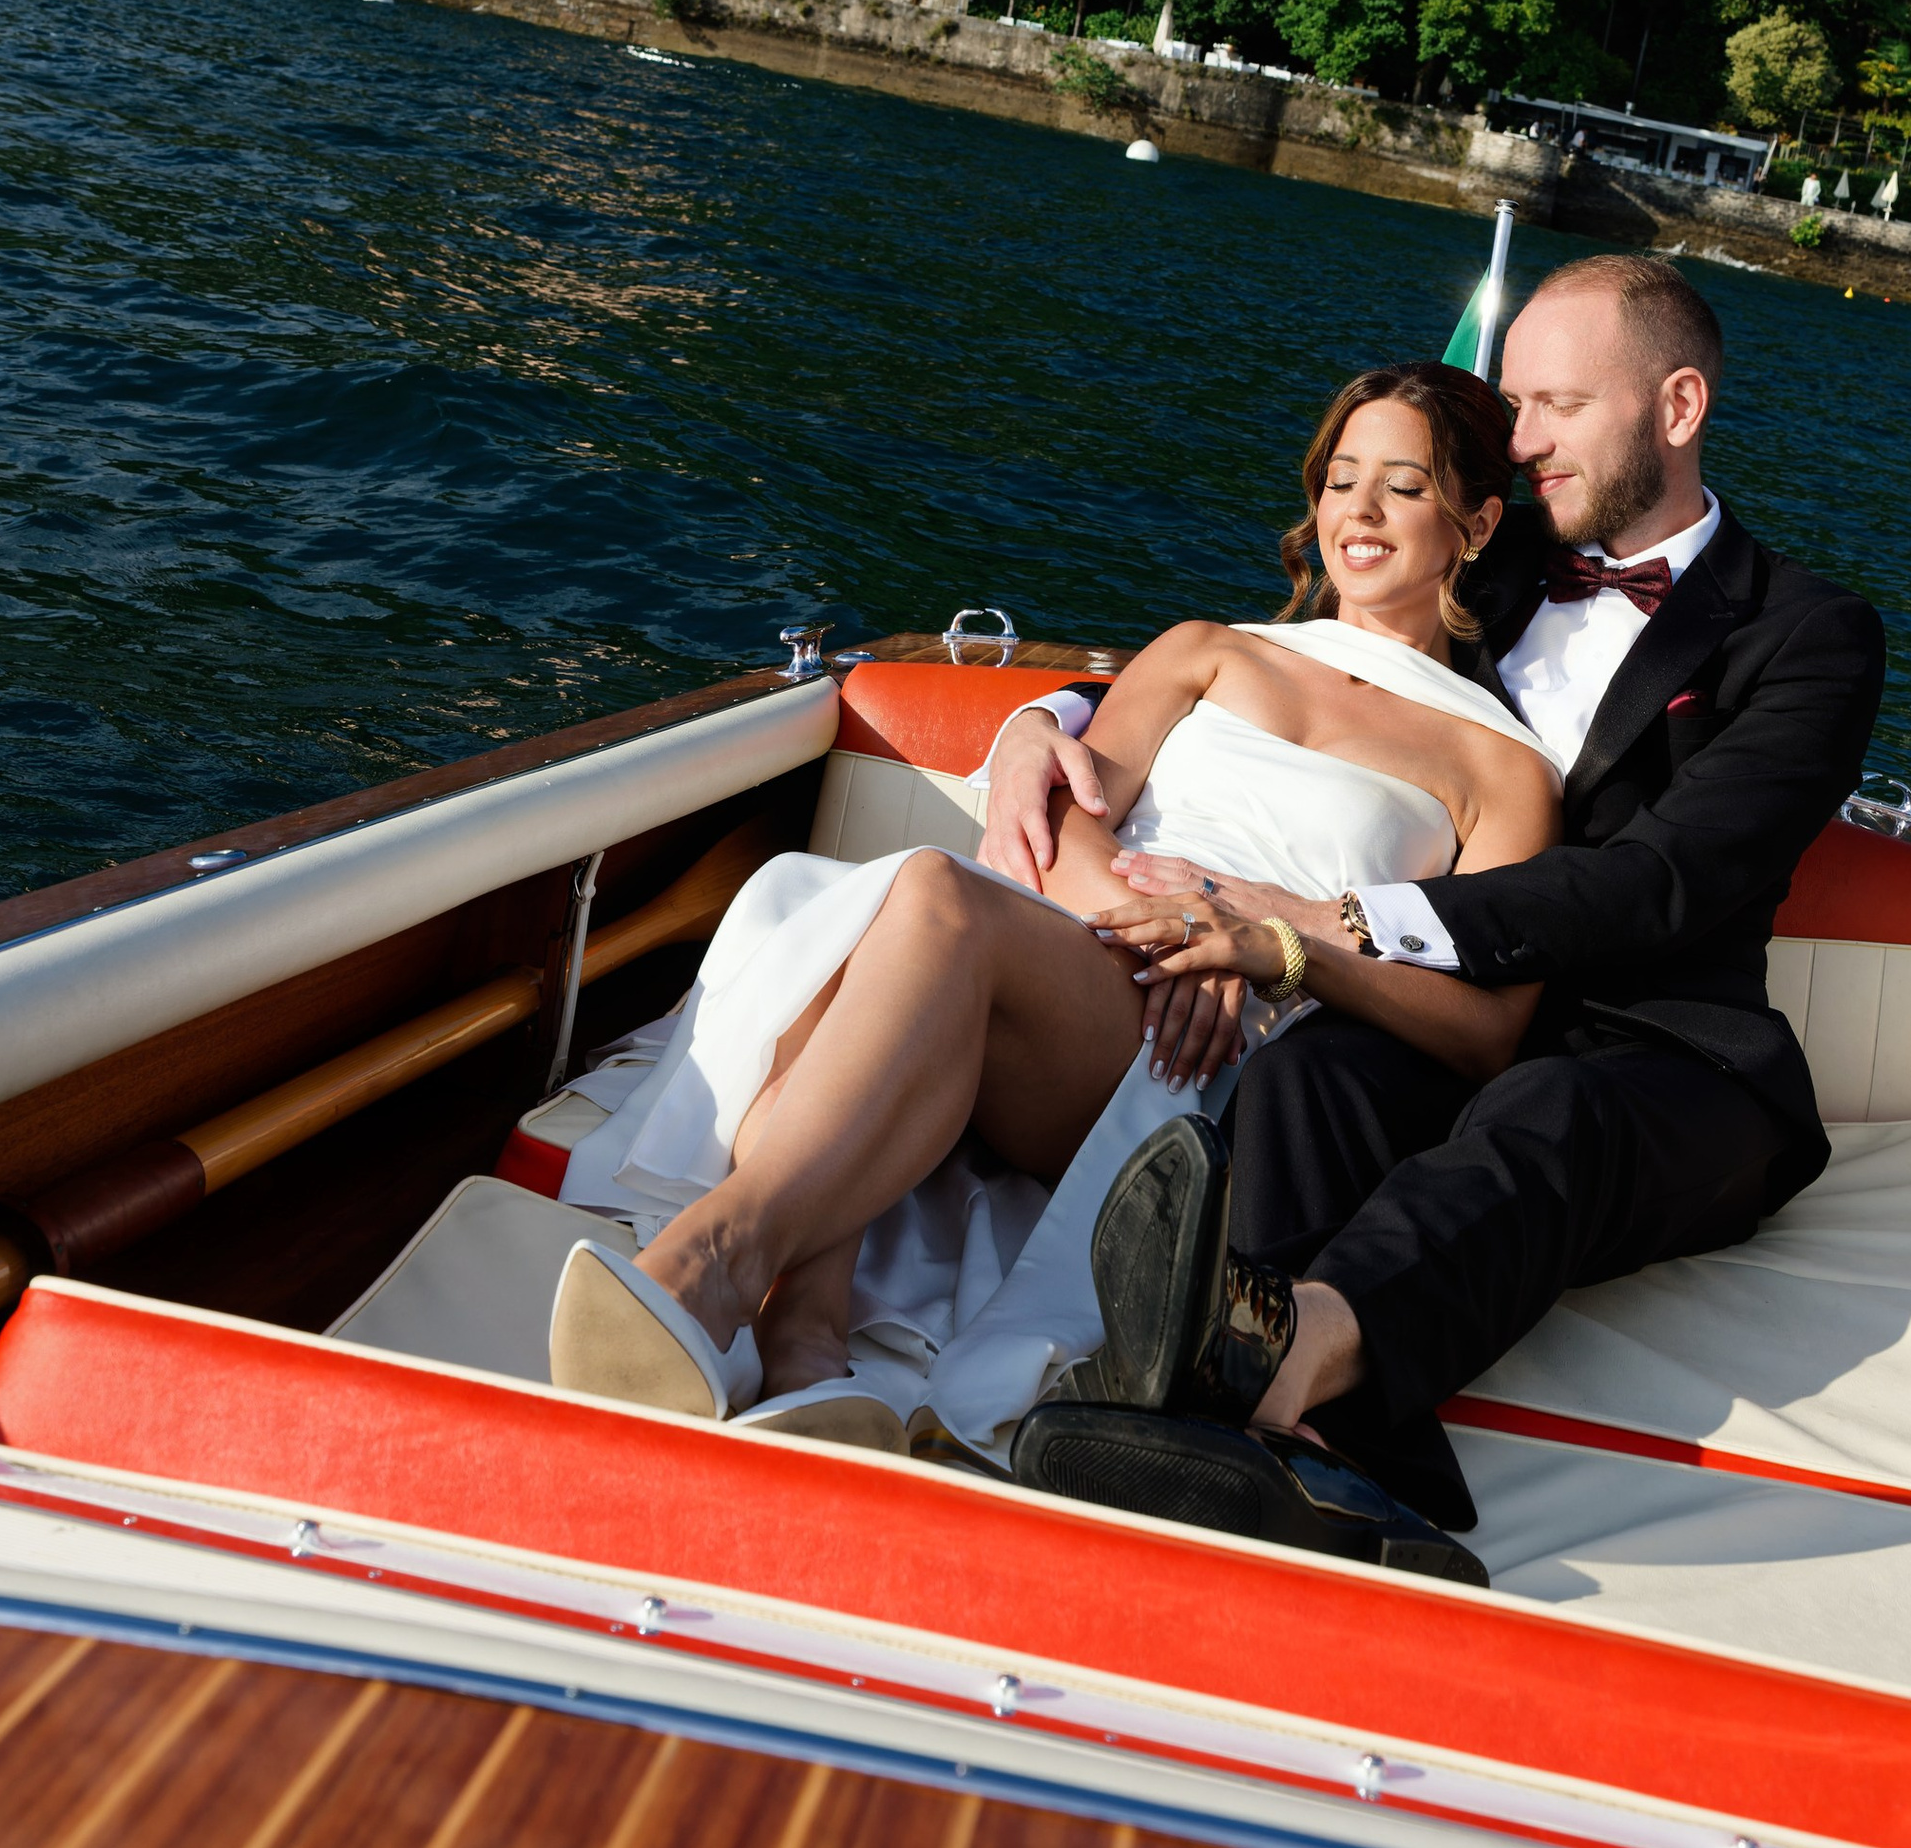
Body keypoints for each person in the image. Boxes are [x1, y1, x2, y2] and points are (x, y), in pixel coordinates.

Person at [544, 363, 1563, 1567]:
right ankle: (806, 1341)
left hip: (1210, 1046)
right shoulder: (1209, 650)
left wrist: (1266, 942)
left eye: (1403, 487)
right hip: (1090, 954)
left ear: (1476, 523)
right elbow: (1076, 814)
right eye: (1342, 479)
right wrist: (1148, 924)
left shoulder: (1501, 770)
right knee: (914, 908)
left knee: (923, 897)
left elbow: (1482, 1024)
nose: (1360, 514)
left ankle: (715, 1256)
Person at [986, 249, 1886, 1550]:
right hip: (1439, 1006)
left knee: (1548, 1113)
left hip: (1656, 1045)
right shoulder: (1496, 554)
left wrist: (1322, 926)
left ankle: (1275, 1391)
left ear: (1677, 409)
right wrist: (1045, 720)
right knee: (1308, 1076)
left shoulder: (1808, 635)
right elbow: (1294, 660)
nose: (1516, 442)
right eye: (1511, 407)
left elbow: (1664, 880)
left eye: (1556, 408)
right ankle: (1300, 1432)